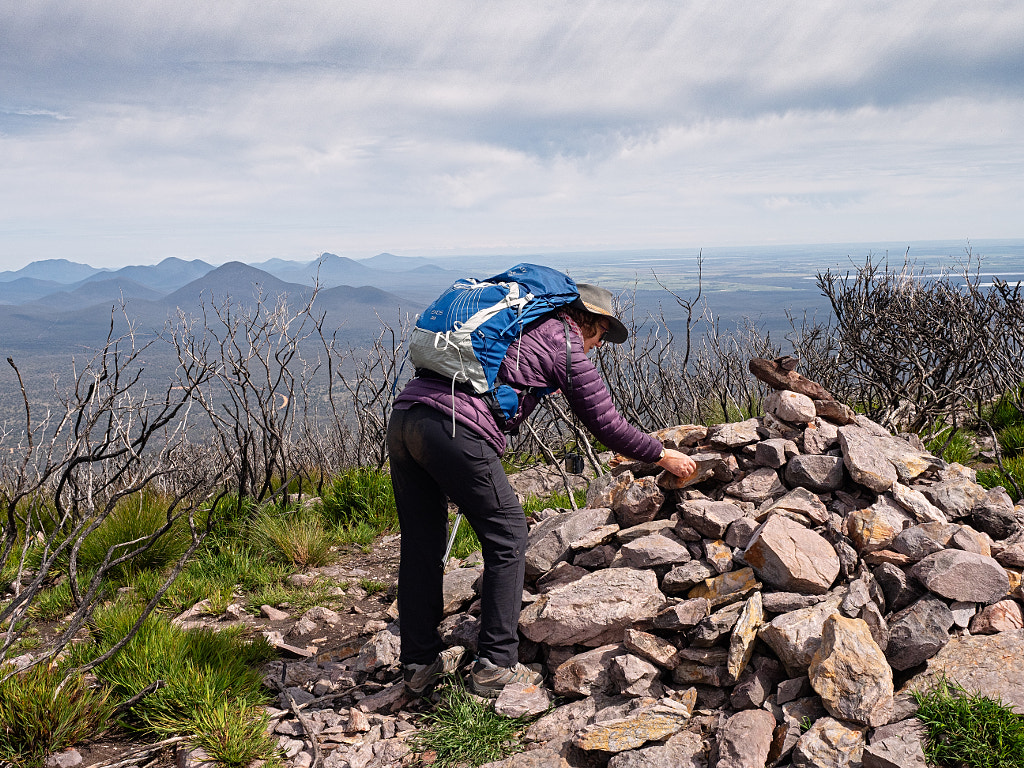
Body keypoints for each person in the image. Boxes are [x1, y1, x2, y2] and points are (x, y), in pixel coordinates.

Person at [386, 281, 697, 698]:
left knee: (422, 543)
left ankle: (418, 663)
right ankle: (496, 666)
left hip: (405, 418)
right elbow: (607, 424)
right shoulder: (562, 341)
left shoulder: (520, 327)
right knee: (509, 533)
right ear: (591, 322)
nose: (598, 347)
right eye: (602, 337)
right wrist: (662, 454)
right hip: (454, 428)